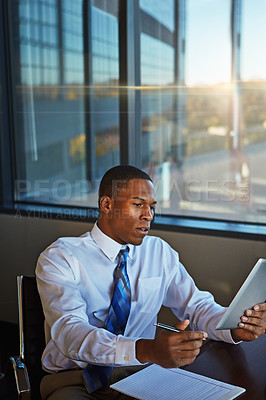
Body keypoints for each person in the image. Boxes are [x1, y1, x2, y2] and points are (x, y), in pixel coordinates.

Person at [36, 165, 266, 400]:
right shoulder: (60, 257)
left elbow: (197, 306)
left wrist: (234, 327)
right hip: (76, 380)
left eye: (152, 207)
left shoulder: (159, 252)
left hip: (142, 374)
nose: (148, 215)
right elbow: (69, 332)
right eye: (138, 205)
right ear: (107, 206)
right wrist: (145, 349)